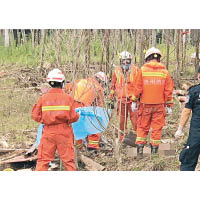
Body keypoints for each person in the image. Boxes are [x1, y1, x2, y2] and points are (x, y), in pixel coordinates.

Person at [32, 68, 80, 171]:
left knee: (43, 161)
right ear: (62, 82)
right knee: (69, 161)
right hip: (64, 132)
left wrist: (45, 120)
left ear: (49, 83)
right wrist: (77, 116)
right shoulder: (68, 98)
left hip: (48, 132)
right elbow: (73, 117)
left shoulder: (43, 98)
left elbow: (35, 115)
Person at [132, 47, 174, 157]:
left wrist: (134, 101)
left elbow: (138, 88)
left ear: (147, 58)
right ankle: (154, 153)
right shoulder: (165, 72)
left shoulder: (142, 70)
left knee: (142, 126)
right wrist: (169, 105)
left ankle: (140, 152)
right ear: (159, 58)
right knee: (157, 128)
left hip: (145, 104)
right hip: (159, 105)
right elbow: (168, 90)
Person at [66, 71, 107, 151]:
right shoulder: (98, 88)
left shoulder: (81, 81)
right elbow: (99, 106)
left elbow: (67, 88)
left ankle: (78, 147)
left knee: (75, 127)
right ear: (101, 82)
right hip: (82, 106)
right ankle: (93, 145)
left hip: (70, 105)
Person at [109, 51, 139, 142]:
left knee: (135, 120)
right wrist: (111, 97)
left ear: (130, 60)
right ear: (120, 61)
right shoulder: (116, 70)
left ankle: (137, 138)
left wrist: (137, 98)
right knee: (122, 121)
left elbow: (139, 85)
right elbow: (113, 84)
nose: (126, 63)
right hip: (121, 100)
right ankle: (123, 138)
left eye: (128, 61)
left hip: (132, 99)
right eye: (124, 61)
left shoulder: (136, 70)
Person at [175, 67, 200, 171]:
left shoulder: (194, 91)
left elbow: (186, 111)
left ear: (199, 76)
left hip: (196, 133)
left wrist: (180, 129)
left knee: (188, 161)